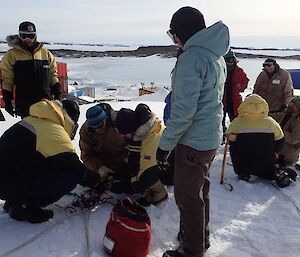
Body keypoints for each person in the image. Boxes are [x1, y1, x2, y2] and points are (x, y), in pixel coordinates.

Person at [156, 6, 229, 257]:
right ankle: (198, 236)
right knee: (201, 190)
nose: (174, 40)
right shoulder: (215, 55)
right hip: (209, 139)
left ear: (182, 33)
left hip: (193, 141)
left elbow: (184, 111)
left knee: (188, 198)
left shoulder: (191, 58)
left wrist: (164, 145)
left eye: (173, 34)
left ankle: (191, 249)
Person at [0, 99, 104, 223]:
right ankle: (25, 207)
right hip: (9, 184)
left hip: (6, 182)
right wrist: (97, 183)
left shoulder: (34, 120)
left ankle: (14, 201)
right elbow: (74, 165)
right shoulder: (52, 129)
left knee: (47, 164)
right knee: (71, 176)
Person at [227, 94, 296, 187]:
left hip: (244, 163)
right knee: (269, 164)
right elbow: (280, 143)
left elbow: (230, 141)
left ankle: (242, 172)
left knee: (234, 147)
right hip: (266, 163)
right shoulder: (271, 123)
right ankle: (276, 172)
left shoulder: (237, 122)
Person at [1, 21, 61, 118]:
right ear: (19, 36)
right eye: (24, 36)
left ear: (36, 36)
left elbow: (53, 74)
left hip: (46, 104)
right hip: (26, 106)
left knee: (47, 132)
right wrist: (7, 100)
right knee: (30, 132)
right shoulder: (12, 55)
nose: (28, 39)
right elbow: (7, 79)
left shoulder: (45, 53)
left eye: (31, 36)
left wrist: (57, 91)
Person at [112, 104, 169, 206]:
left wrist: (127, 186)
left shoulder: (151, 138)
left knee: (146, 177)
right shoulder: (143, 129)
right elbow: (134, 155)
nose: (123, 136)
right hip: (163, 162)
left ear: (131, 128)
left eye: (125, 134)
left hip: (171, 169)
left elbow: (146, 174)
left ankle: (159, 193)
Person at [79, 103, 129, 188]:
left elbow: (136, 139)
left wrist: (130, 158)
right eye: (94, 127)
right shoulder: (86, 132)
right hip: (103, 164)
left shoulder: (121, 120)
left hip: (125, 161)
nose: (98, 130)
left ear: (106, 119)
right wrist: (99, 168)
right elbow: (86, 155)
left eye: (100, 125)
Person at [222, 49, 249, 141]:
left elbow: (245, 81)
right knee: (220, 119)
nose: (229, 62)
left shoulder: (239, 71)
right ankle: (221, 136)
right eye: (227, 60)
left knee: (235, 119)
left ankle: (235, 137)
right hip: (222, 99)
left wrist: (239, 87)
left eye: (231, 60)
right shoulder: (220, 70)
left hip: (235, 100)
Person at [271, 96, 300, 165]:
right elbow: (275, 116)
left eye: (295, 104)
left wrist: (278, 130)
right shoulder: (287, 114)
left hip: (287, 157)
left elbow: (292, 139)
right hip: (277, 152)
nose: (291, 105)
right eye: (291, 102)